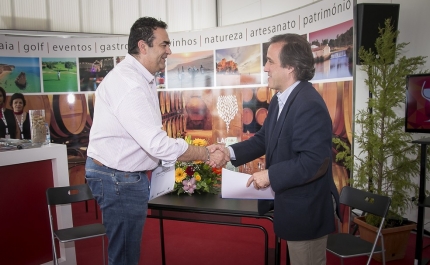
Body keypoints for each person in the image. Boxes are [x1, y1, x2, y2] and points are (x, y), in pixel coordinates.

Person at [85, 17, 228, 265]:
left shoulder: (142, 78)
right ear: (143, 46)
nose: (169, 51)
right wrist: (205, 153)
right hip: (117, 178)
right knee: (125, 257)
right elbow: (157, 144)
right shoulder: (129, 84)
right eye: (164, 44)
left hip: (123, 176)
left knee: (127, 251)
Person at [217, 34, 340, 265]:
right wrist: (229, 152)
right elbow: (264, 140)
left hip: (307, 210)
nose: (265, 68)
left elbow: (314, 162)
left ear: (291, 67)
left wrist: (270, 175)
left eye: (270, 61)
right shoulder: (279, 100)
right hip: (291, 205)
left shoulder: (308, 104)